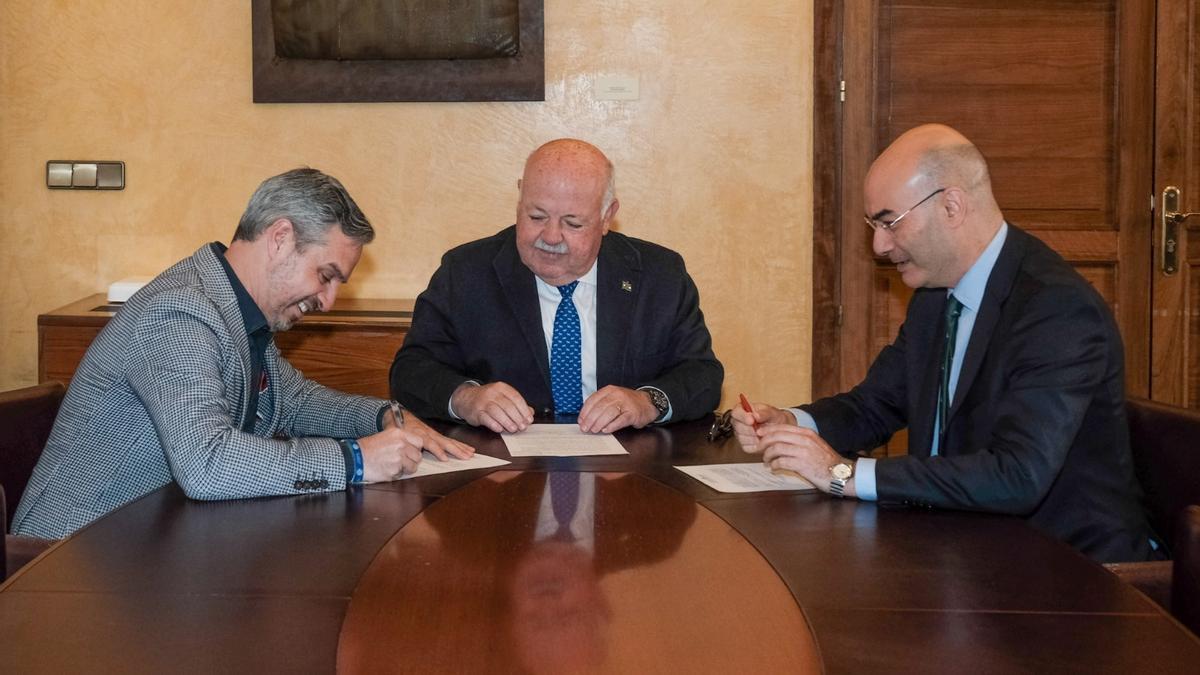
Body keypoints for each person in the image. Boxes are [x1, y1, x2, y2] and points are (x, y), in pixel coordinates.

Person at [733, 124, 1154, 563]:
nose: (878, 245)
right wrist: (793, 424)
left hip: (1067, 574)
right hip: (958, 545)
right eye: (872, 225)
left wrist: (844, 473)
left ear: (952, 206)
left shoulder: (1056, 310)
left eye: (888, 222)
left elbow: (1017, 476)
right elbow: (875, 405)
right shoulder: (935, 298)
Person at [14, 168, 473, 539]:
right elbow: (207, 464)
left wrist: (385, 417)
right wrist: (355, 460)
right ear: (279, 239)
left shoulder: (238, 310)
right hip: (66, 565)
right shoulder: (180, 311)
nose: (328, 300)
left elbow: (296, 403)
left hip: (148, 547)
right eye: (326, 275)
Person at [390, 139, 723, 434]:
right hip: (502, 472)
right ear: (520, 199)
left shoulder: (659, 275)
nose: (550, 237)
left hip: (629, 469)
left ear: (608, 216)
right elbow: (411, 371)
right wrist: (466, 397)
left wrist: (646, 402)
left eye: (572, 223)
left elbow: (702, 375)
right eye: (536, 217)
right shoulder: (465, 273)